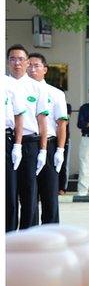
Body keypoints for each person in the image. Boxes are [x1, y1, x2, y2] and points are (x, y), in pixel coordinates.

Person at [6, 44, 49, 230]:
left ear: (27, 62)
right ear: (8, 62)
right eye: (13, 59)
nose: (17, 63)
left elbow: (42, 122)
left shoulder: (36, 87)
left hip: (30, 143)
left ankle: (27, 237)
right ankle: (8, 237)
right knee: (8, 193)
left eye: (21, 59)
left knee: (29, 194)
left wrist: (44, 150)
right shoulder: (4, 84)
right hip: (8, 142)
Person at [27, 52, 68, 224]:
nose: (32, 69)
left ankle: (51, 234)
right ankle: (31, 234)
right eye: (29, 65)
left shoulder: (55, 93)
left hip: (50, 145)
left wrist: (60, 150)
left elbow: (62, 124)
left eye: (36, 66)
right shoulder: (20, 91)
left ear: (45, 69)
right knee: (29, 195)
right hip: (28, 144)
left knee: (49, 193)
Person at [5, 77, 25, 232]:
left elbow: (19, 116)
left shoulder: (10, 84)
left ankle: (9, 233)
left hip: (6, 138)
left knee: (9, 191)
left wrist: (17, 145)